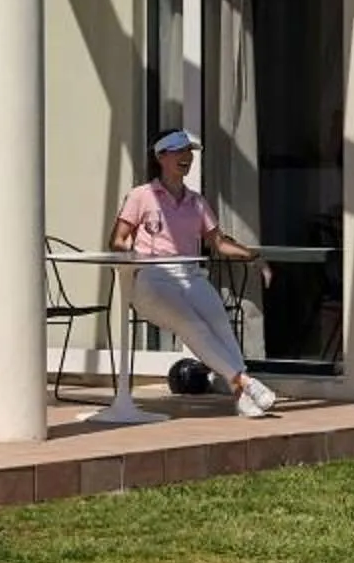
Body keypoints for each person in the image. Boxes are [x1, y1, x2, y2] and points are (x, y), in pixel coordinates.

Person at [112, 129, 278, 418]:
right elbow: (117, 238)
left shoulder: (197, 202)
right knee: (192, 325)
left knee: (219, 324)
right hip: (153, 278)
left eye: (189, 151)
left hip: (190, 275)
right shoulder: (141, 196)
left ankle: (240, 392)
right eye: (179, 151)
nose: (186, 157)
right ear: (160, 156)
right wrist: (133, 255)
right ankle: (245, 382)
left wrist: (255, 257)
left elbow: (220, 243)